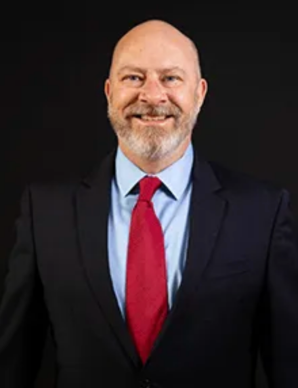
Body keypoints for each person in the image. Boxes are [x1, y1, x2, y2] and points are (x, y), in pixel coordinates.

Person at [0, 19, 297, 388]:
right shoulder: (45, 213)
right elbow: (11, 368)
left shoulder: (262, 213)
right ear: (109, 92)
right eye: (134, 78)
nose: (153, 96)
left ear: (199, 93)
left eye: (171, 78)